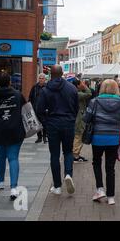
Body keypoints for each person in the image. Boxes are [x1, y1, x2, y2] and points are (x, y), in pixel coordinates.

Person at [83, 79, 120, 205]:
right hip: (113, 139)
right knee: (110, 167)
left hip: (98, 137)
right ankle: (111, 196)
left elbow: (86, 118)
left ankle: (100, 189)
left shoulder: (94, 102)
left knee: (96, 163)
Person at [37, 65, 79, 195]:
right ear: (61, 73)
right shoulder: (72, 88)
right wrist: (71, 118)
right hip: (68, 123)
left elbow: (39, 110)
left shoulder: (45, 90)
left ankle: (57, 186)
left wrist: (46, 122)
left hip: (53, 124)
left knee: (54, 155)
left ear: (51, 74)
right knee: (68, 152)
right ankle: (68, 174)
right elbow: (76, 107)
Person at [0, 73, 26, 201]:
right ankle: (14, 188)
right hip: (15, 130)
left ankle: (1, 181)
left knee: (1, 156)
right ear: (9, 82)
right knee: (13, 158)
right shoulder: (17, 95)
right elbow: (25, 109)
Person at [72, 79, 92, 162]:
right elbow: (89, 94)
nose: (83, 85)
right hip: (79, 118)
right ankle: (75, 155)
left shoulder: (73, 92)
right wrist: (85, 86)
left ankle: (75, 154)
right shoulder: (78, 93)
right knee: (78, 136)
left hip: (76, 117)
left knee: (77, 136)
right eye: (81, 84)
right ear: (77, 86)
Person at [29, 73, 48, 144]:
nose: (41, 79)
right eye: (40, 78)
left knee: (45, 124)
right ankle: (39, 137)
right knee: (37, 124)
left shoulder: (47, 87)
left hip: (44, 109)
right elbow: (30, 97)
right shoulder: (35, 87)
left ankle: (44, 137)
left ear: (45, 79)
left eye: (42, 78)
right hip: (36, 109)